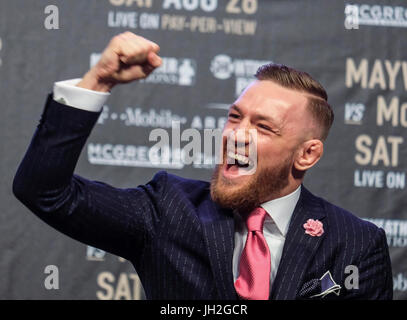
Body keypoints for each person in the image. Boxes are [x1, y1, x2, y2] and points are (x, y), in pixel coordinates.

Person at [13, 32, 393, 300]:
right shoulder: (168, 209)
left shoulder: (355, 243)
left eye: (262, 127)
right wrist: (97, 81)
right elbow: (44, 191)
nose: (235, 136)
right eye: (234, 117)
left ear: (307, 155)